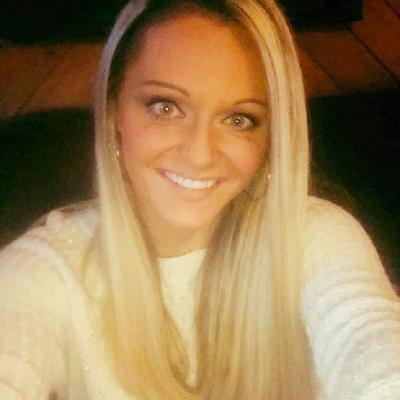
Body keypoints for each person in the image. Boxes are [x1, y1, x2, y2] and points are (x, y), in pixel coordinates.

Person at [0, 0, 399, 399]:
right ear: (113, 113)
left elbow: (366, 335)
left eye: (239, 119)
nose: (200, 154)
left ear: (271, 137)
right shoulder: (48, 269)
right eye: (166, 107)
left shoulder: (313, 236)